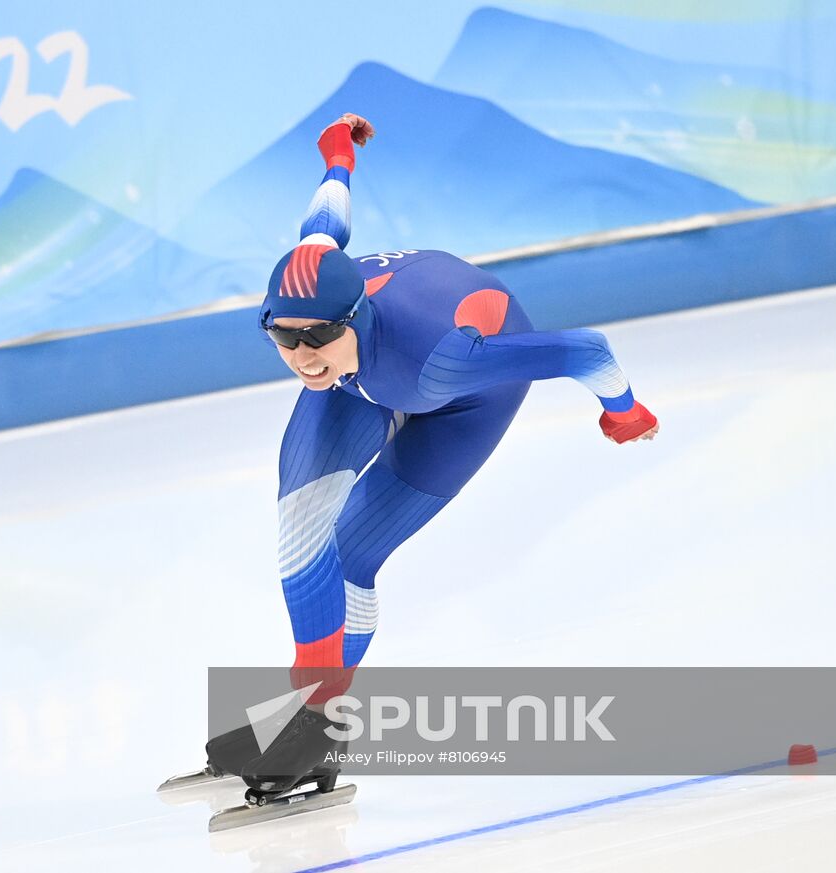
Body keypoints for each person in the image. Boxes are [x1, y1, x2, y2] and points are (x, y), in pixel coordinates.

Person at [212, 112, 657, 808]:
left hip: (457, 397)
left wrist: (624, 411)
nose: (301, 356)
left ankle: (314, 721)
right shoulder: (318, 289)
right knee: (301, 538)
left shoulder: (442, 362)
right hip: (366, 375)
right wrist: (337, 150)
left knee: (351, 551)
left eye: (318, 335)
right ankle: (312, 718)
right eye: (282, 336)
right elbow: (328, 210)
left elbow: (585, 349)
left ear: (351, 318)